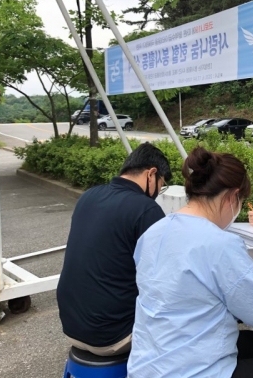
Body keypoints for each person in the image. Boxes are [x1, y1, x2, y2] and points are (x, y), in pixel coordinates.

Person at [128, 147, 253, 378]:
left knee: (252, 342)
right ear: (232, 196)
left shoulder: (154, 231)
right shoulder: (221, 244)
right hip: (191, 370)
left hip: (150, 364)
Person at [57, 142, 171, 356]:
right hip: (113, 336)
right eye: (161, 184)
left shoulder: (88, 196)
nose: (158, 191)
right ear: (151, 174)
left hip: (71, 326)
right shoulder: (146, 209)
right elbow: (164, 278)